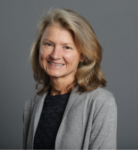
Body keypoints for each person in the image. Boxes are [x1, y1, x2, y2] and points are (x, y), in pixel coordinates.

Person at [23, 8, 117, 150]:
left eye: (66, 47)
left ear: (83, 55)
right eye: (48, 44)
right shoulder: (31, 106)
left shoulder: (101, 103)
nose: (55, 55)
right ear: (38, 48)